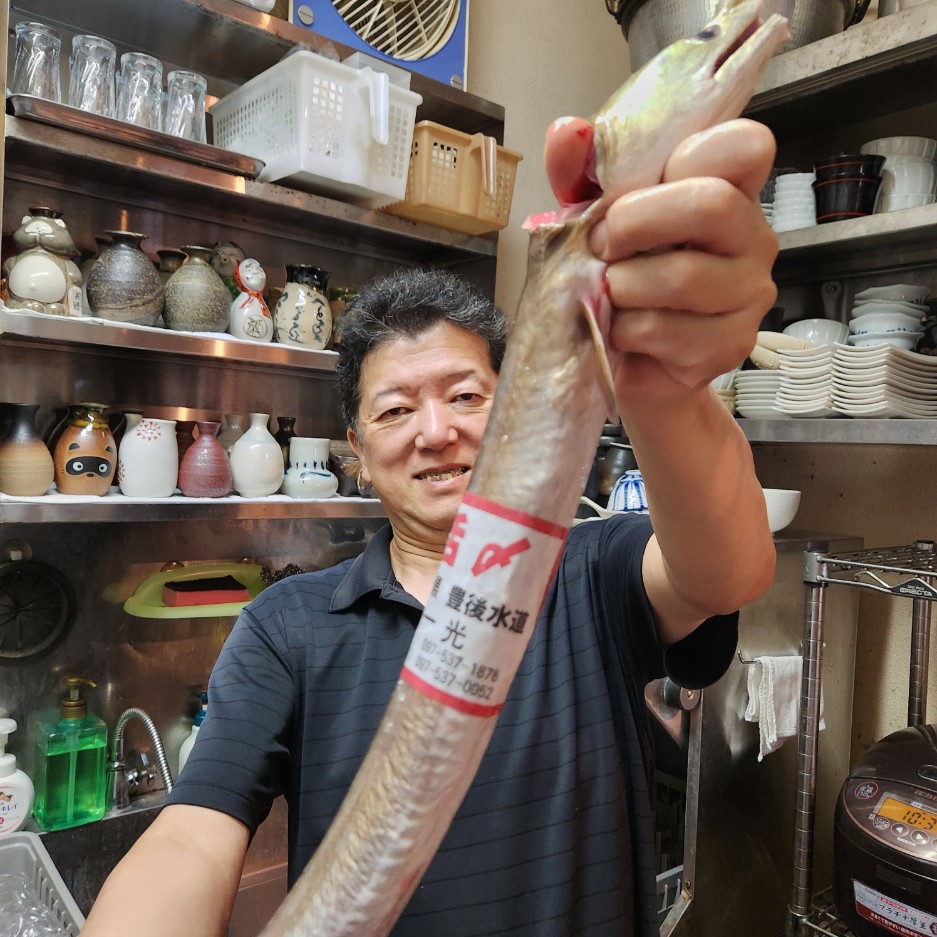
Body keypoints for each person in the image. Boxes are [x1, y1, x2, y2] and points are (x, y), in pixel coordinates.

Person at [82, 116, 779, 937]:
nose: (436, 430)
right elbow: (192, 838)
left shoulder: (589, 568)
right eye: (395, 410)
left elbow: (723, 568)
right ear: (357, 450)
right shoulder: (287, 627)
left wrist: (667, 392)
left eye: (465, 395)